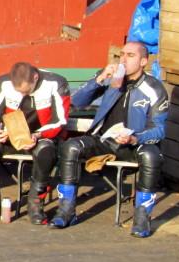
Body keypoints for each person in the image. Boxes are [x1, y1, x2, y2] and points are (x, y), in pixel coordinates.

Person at [50, 41, 168, 237]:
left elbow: (159, 130)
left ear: (143, 62)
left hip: (134, 143)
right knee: (71, 147)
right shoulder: (110, 79)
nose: (123, 59)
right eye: (121, 54)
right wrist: (99, 79)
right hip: (104, 140)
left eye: (130, 56)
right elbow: (76, 102)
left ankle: (141, 218)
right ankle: (66, 210)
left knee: (151, 156)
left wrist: (134, 138)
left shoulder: (154, 88)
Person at [0, 63, 70, 224]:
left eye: (25, 90)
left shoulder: (56, 83)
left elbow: (60, 121)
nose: (21, 94)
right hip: (11, 136)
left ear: (35, 78)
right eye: (18, 91)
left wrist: (37, 135)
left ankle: (35, 202)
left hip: (41, 137)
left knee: (46, 150)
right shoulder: (4, 82)